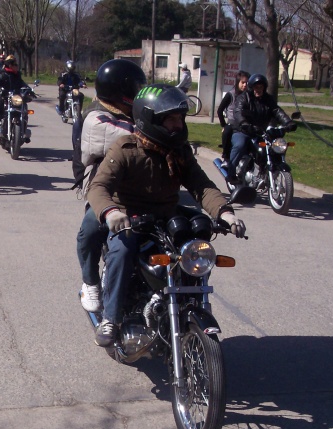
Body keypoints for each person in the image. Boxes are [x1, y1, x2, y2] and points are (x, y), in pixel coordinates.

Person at [86, 84, 246, 346]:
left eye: (180, 118)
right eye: (170, 119)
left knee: (196, 244)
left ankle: (188, 302)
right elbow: (99, 186)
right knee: (122, 251)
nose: (177, 124)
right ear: (150, 119)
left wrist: (226, 213)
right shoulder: (126, 148)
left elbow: (201, 186)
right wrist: (111, 212)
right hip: (130, 218)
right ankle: (111, 319)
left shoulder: (179, 153)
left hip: (164, 214)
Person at [72, 59, 146, 313]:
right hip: (105, 190)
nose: (138, 92)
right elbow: (124, 136)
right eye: (135, 87)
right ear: (119, 90)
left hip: (141, 187)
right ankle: (90, 282)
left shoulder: (132, 113)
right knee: (90, 230)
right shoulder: (95, 115)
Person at [227, 73, 297, 181]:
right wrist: (244, 123)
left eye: (261, 87)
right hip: (243, 130)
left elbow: (277, 111)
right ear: (251, 87)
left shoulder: (268, 99)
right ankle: (231, 173)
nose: (258, 89)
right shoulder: (243, 98)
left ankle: (266, 170)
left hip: (261, 131)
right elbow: (238, 112)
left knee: (276, 146)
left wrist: (288, 123)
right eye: (256, 87)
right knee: (240, 144)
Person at [0, 55, 35, 142]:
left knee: (24, 107)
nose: (17, 66)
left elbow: (22, 83)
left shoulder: (17, 75)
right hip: (5, 96)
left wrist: (29, 90)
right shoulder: (3, 74)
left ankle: (24, 128)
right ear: (10, 65)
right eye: (15, 64)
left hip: (15, 97)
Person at [216, 70, 249, 167]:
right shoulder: (230, 94)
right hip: (232, 123)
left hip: (246, 124)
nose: (245, 85)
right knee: (227, 131)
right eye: (243, 82)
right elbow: (220, 110)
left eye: (247, 83)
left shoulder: (249, 95)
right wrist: (223, 125)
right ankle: (226, 158)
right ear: (238, 82)